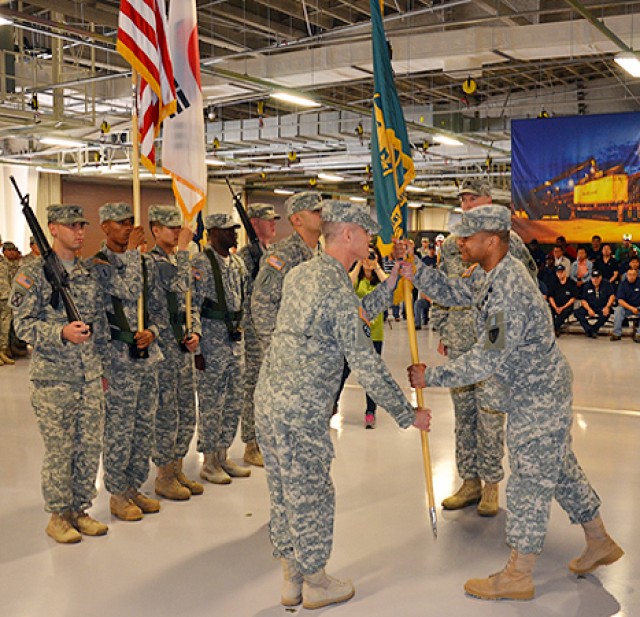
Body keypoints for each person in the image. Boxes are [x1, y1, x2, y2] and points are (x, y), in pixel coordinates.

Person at [409, 205, 623, 601]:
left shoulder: (508, 290)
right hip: (537, 390)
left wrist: (432, 376)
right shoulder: (493, 274)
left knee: (527, 479)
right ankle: (599, 541)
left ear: (492, 240)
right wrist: (415, 272)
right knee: (557, 469)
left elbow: (487, 358)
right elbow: (458, 291)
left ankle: (518, 573)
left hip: (536, 396)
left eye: (468, 236)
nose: (460, 242)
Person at [254, 200, 430, 610]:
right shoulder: (332, 284)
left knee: (284, 492)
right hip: (301, 409)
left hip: (270, 400)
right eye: (366, 232)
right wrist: (408, 414)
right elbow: (364, 360)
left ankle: (291, 580)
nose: (371, 241)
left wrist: (388, 288)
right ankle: (316, 582)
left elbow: (350, 316)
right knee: (312, 492)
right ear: (349, 234)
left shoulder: (304, 275)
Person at [429, 178, 537, 518]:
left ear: (489, 199)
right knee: (464, 416)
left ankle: (491, 484)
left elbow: (527, 284)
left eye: (473, 198)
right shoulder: (451, 244)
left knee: (491, 413)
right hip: (461, 341)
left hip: (493, 343)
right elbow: (443, 287)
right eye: (463, 199)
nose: (467, 205)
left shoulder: (509, 242)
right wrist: (442, 328)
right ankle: (469, 480)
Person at [11, 204, 110, 543]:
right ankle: (57, 515)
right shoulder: (32, 273)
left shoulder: (87, 272)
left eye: (82, 225)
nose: (79, 231)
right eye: (71, 226)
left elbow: (101, 325)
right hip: (54, 379)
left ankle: (80, 510)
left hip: (89, 375)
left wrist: (103, 369)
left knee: (89, 447)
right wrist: (60, 333)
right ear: (52, 229)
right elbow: (21, 325)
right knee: (60, 449)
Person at [91, 202, 162, 522]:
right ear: (105, 226)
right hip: (117, 362)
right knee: (119, 430)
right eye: (120, 223)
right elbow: (127, 291)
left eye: (131, 222)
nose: (128, 228)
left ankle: (134, 486)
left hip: (146, 358)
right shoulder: (97, 265)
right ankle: (118, 493)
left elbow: (158, 308)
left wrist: (153, 331)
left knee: (143, 428)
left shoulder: (145, 263)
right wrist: (133, 254)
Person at [147, 205, 203, 501]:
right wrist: (184, 249)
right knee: (167, 414)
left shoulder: (176, 259)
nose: (178, 233)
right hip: (163, 349)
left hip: (182, 347)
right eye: (171, 228)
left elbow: (189, 301)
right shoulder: (153, 261)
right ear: (156, 230)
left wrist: (196, 332)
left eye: (178, 228)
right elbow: (180, 285)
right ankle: (164, 475)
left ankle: (178, 466)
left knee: (185, 412)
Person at [192, 213, 251, 484]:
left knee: (232, 402)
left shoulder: (237, 263)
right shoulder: (201, 264)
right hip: (211, 347)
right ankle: (209, 461)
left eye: (235, 230)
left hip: (234, 345)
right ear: (213, 233)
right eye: (228, 230)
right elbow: (192, 306)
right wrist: (198, 351)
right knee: (211, 404)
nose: (234, 234)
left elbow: (246, 300)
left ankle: (224, 454)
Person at [237, 203, 280, 467]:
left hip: (271, 330)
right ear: (254, 224)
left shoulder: (271, 253)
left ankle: (264, 438)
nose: (274, 224)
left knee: (267, 388)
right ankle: (251, 444)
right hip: (253, 332)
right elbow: (242, 296)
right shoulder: (246, 256)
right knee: (252, 387)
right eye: (268, 220)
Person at [252, 192, 323, 351]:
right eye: (315, 212)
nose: (322, 215)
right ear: (297, 220)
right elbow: (262, 303)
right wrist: (275, 348)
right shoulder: (283, 255)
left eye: (321, 211)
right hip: (290, 350)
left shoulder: (322, 255)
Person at [335, 244, 388, 429]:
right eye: (366, 254)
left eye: (372, 255)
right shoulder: (356, 279)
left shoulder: (378, 281)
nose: (368, 259)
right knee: (343, 371)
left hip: (374, 336)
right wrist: (358, 263)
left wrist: (376, 266)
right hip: (353, 334)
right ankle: (332, 404)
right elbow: (347, 284)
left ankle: (370, 412)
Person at [574, 270, 615, 338]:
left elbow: (612, 296)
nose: (595, 280)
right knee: (577, 312)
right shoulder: (587, 286)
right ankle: (589, 329)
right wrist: (589, 309)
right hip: (590, 306)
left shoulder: (606, 284)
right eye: (593, 278)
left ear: (600, 278)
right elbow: (583, 300)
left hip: (602, 306)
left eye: (597, 278)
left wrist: (607, 307)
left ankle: (593, 329)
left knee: (605, 314)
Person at [610, 267, 640, 341]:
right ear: (626, 275)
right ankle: (617, 334)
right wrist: (632, 308)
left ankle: (639, 335)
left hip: (639, 307)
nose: (631, 277)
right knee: (618, 310)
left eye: (633, 275)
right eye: (630, 275)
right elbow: (620, 301)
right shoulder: (622, 285)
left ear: (637, 275)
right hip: (627, 308)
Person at [548, 264, 578, 336]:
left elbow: (573, 298)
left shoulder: (571, 283)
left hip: (567, 305)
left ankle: (555, 328)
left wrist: (563, 307)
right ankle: (555, 328)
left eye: (561, 272)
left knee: (565, 312)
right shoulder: (554, 283)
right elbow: (550, 297)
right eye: (558, 272)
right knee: (549, 309)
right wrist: (555, 307)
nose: (560, 274)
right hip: (556, 305)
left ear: (565, 272)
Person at [0, 246, 13, 367]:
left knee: (5, 326)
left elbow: (10, 277)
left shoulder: (4, 261)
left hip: (5, 296)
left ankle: (2, 351)